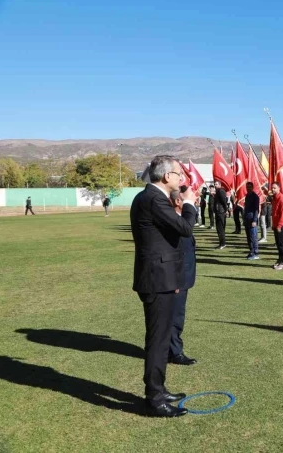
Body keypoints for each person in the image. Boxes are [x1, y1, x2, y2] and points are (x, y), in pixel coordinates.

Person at [130, 155, 195, 418]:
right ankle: (155, 399)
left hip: (162, 277)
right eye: (179, 174)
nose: (181, 178)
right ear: (167, 176)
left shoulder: (149, 198)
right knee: (158, 341)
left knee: (161, 337)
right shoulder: (154, 198)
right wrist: (189, 204)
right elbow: (184, 228)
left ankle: (158, 389)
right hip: (157, 279)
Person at [168, 187, 198, 366]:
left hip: (181, 276)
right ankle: (174, 352)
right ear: (178, 201)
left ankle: (170, 349)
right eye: (186, 199)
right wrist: (174, 279)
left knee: (176, 315)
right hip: (176, 278)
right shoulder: (173, 222)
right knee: (174, 316)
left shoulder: (178, 220)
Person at [270, 182, 283, 270]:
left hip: (281, 225)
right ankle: (280, 260)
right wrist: (273, 224)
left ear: (279, 188)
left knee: (282, 244)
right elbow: (274, 213)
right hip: (276, 224)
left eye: (274, 188)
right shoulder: (274, 198)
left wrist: (279, 225)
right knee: (278, 244)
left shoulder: (282, 198)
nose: (273, 190)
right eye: (272, 188)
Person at [243, 183, 261, 260]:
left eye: (250, 187)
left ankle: (255, 253)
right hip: (247, 218)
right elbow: (246, 208)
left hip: (252, 219)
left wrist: (254, 220)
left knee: (253, 237)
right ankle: (251, 251)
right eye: (247, 187)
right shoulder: (247, 196)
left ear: (253, 187)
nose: (248, 188)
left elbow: (256, 210)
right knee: (249, 237)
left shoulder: (255, 197)